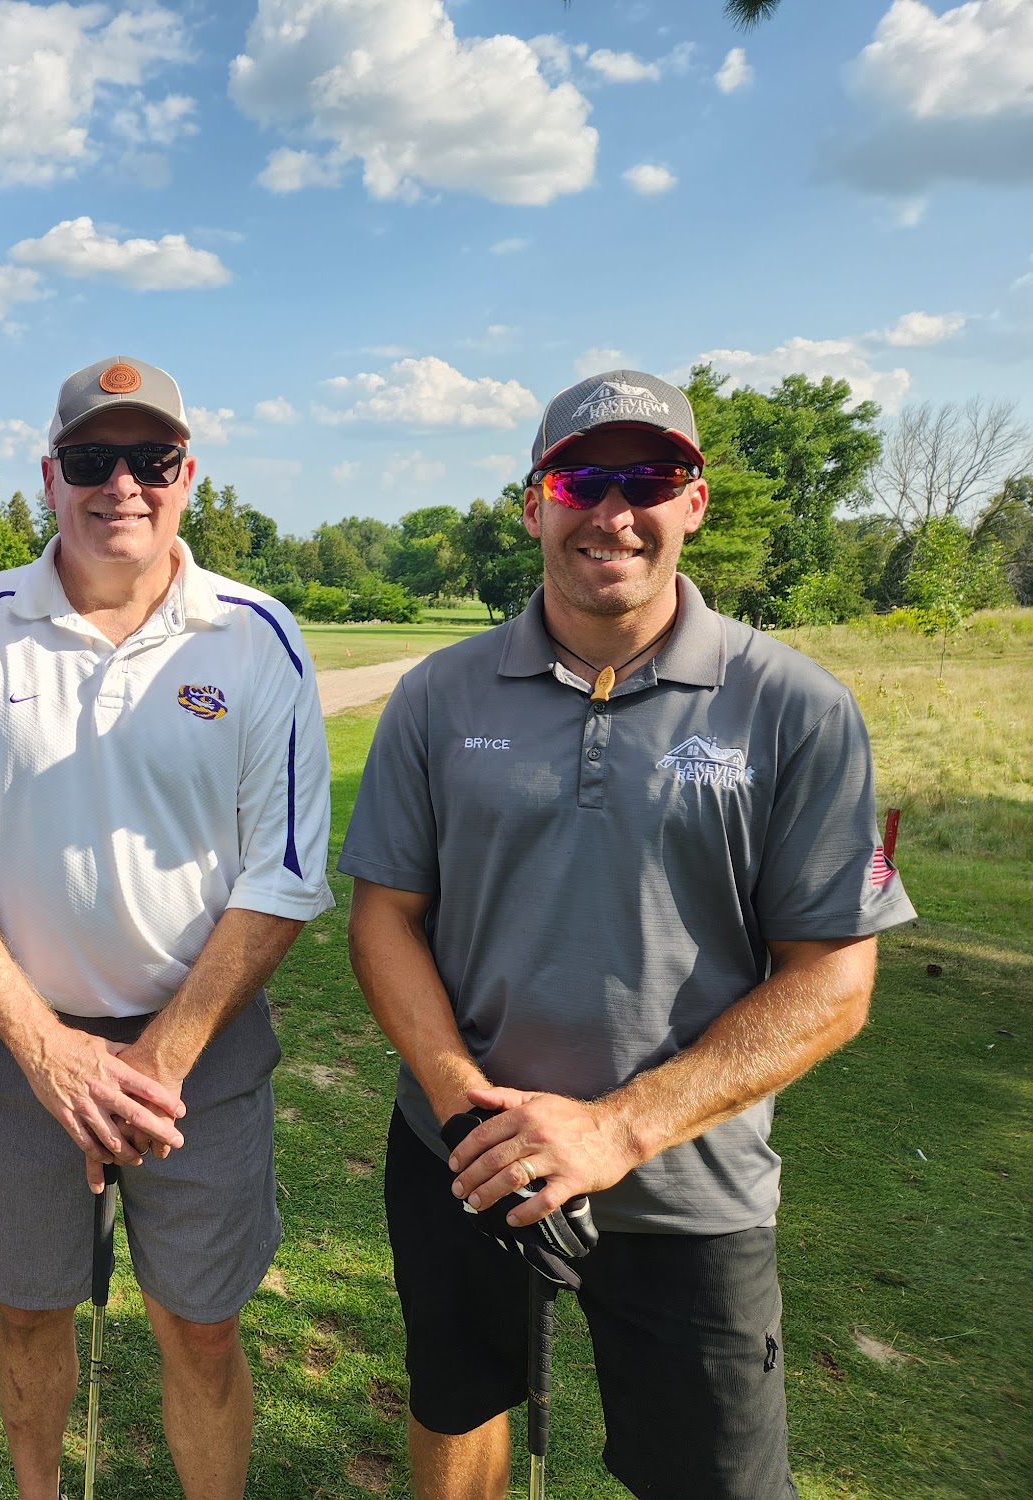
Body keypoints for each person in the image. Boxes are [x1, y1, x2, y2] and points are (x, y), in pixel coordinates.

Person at [340, 369, 916, 1499]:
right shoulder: (439, 695)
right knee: (457, 1404)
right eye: (579, 482)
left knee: (715, 1476)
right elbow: (384, 918)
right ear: (533, 505)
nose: (612, 512)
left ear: (692, 502)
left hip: (688, 1183)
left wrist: (614, 1130)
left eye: (647, 479)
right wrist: (464, 1105)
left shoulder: (794, 704)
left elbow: (834, 978)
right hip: (465, 1151)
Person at [0, 355, 332, 1500]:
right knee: (30, 1312)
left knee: (201, 1327)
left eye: (149, 459)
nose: (120, 484)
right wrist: (50, 1054)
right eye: (90, 459)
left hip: (202, 1052)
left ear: (187, 475)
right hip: (21, 1046)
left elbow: (282, 873)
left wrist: (156, 1063)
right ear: (49, 477)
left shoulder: (255, 634)